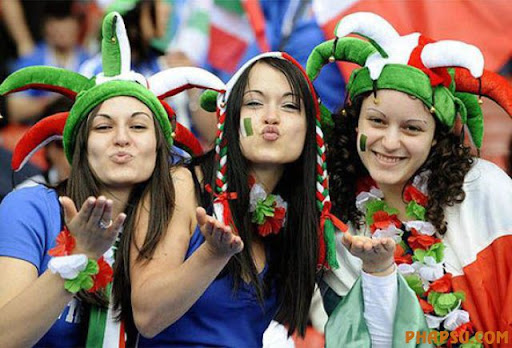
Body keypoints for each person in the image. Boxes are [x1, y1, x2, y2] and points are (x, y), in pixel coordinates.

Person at [0, 12, 224, 347]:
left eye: (137, 126)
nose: (122, 138)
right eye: (104, 127)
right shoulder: (30, 208)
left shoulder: (181, 222)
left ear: (161, 146)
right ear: (80, 144)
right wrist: (78, 258)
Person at [307, 12, 512, 347]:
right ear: (355, 122)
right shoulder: (335, 223)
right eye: (376, 121)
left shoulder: (485, 189)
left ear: (436, 137)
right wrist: (378, 274)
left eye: (411, 128)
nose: (389, 142)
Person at [116, 51, 342, 347]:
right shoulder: (184, 185)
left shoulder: (301, 214)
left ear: (310, 130)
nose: (271, 118)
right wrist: (211, 254)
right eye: (254, 103)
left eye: (289, 106)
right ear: (231, 118)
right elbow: (147, 316)